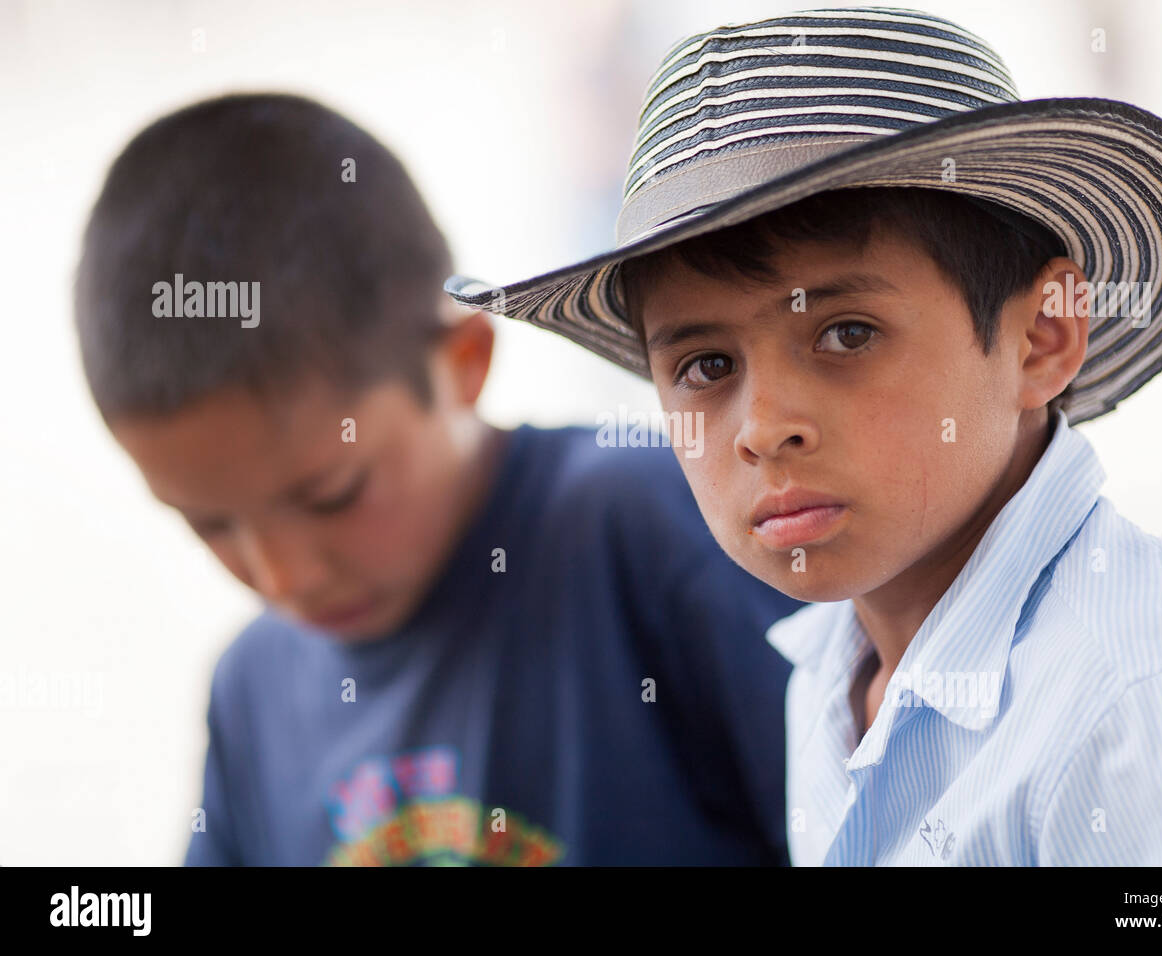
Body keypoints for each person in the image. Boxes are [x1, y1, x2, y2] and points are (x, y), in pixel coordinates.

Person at [445, 6, 1162, 865]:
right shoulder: (828, 667)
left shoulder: (1147, 715)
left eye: (846, 334)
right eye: (706, 366)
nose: (765, 430)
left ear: (1042, 336)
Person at [73, 93, 803, 866]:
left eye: (333, 495)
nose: (285, 576)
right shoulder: (253, 692)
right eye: (210, 523)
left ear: (463, 364)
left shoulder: (644, 530)